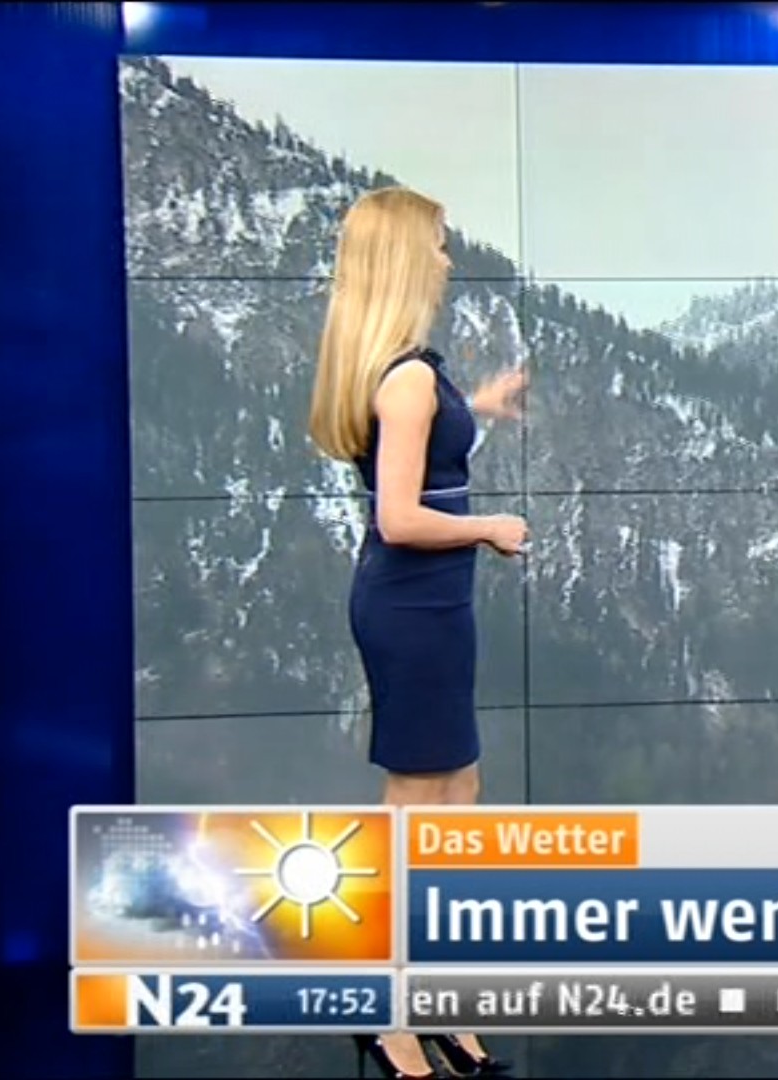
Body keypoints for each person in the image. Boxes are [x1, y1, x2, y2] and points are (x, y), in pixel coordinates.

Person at [308, 186, 526, 1080]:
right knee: (415, 811)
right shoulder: (404, 378)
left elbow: (426, 454)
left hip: (434, 605)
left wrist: (480, 406)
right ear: (404, 258)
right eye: (436, 243)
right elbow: (399, 517)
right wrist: (489, 528)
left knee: (456, 791)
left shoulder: (410, 374)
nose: (446, 257)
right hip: (411, 607)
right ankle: (387, 1014)